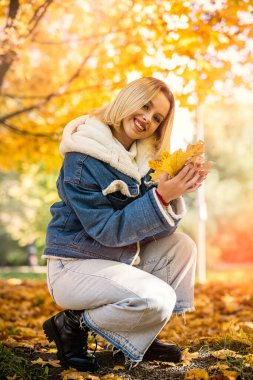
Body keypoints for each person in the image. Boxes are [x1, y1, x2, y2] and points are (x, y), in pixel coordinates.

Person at [42, 77, 207, 372]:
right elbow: (107, 230)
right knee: (159, 298)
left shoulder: (142, 160)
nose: (147, 119)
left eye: (157, 118)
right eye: (145, 106)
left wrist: (170, 193)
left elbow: (156, 230)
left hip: (114, 262)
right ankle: (71, 325)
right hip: (74, 266)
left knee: (182, 246)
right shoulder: (82, 158)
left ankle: (138, 336)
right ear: (128, 98)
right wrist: (159, 198)